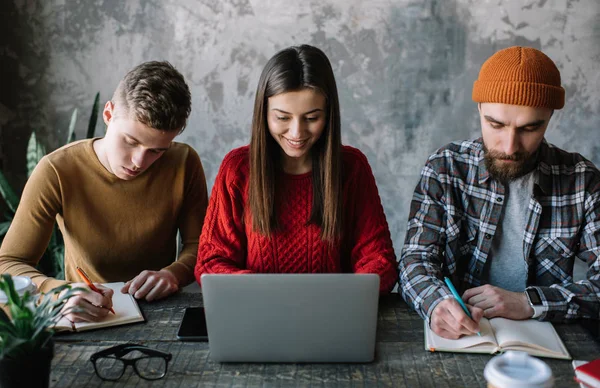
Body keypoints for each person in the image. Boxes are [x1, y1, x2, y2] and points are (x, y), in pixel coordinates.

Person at [399, 46, 600, 339]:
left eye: (529, 128)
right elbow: (415, 259)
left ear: (549, 117)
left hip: (545, 342)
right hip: (464, 339)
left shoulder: (582, 181)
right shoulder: (446, 167)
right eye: (496, 125)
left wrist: (528, 302)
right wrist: (436, 304)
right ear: (479, 108)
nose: (509, 146)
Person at [0, 61, 208, 322]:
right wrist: (60, 292)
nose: (139, 162)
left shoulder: (185, 162)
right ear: (108, 114)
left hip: (163, 313)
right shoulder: (56, 170)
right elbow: (8, 263)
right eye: (130, 142)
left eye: (157, 151)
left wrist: (173, 274)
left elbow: (200, 246)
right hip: (83, 314)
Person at [195, 44, 397, 292]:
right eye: (282, 117)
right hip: (256, 312)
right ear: (264, 113)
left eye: (312, 118)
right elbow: (211, 262)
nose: (296, 132)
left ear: (329, 114)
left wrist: (346, 294)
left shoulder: (352, 167)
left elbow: (380, 261)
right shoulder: (237, 169)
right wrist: (264, 291)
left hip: (332, 314)